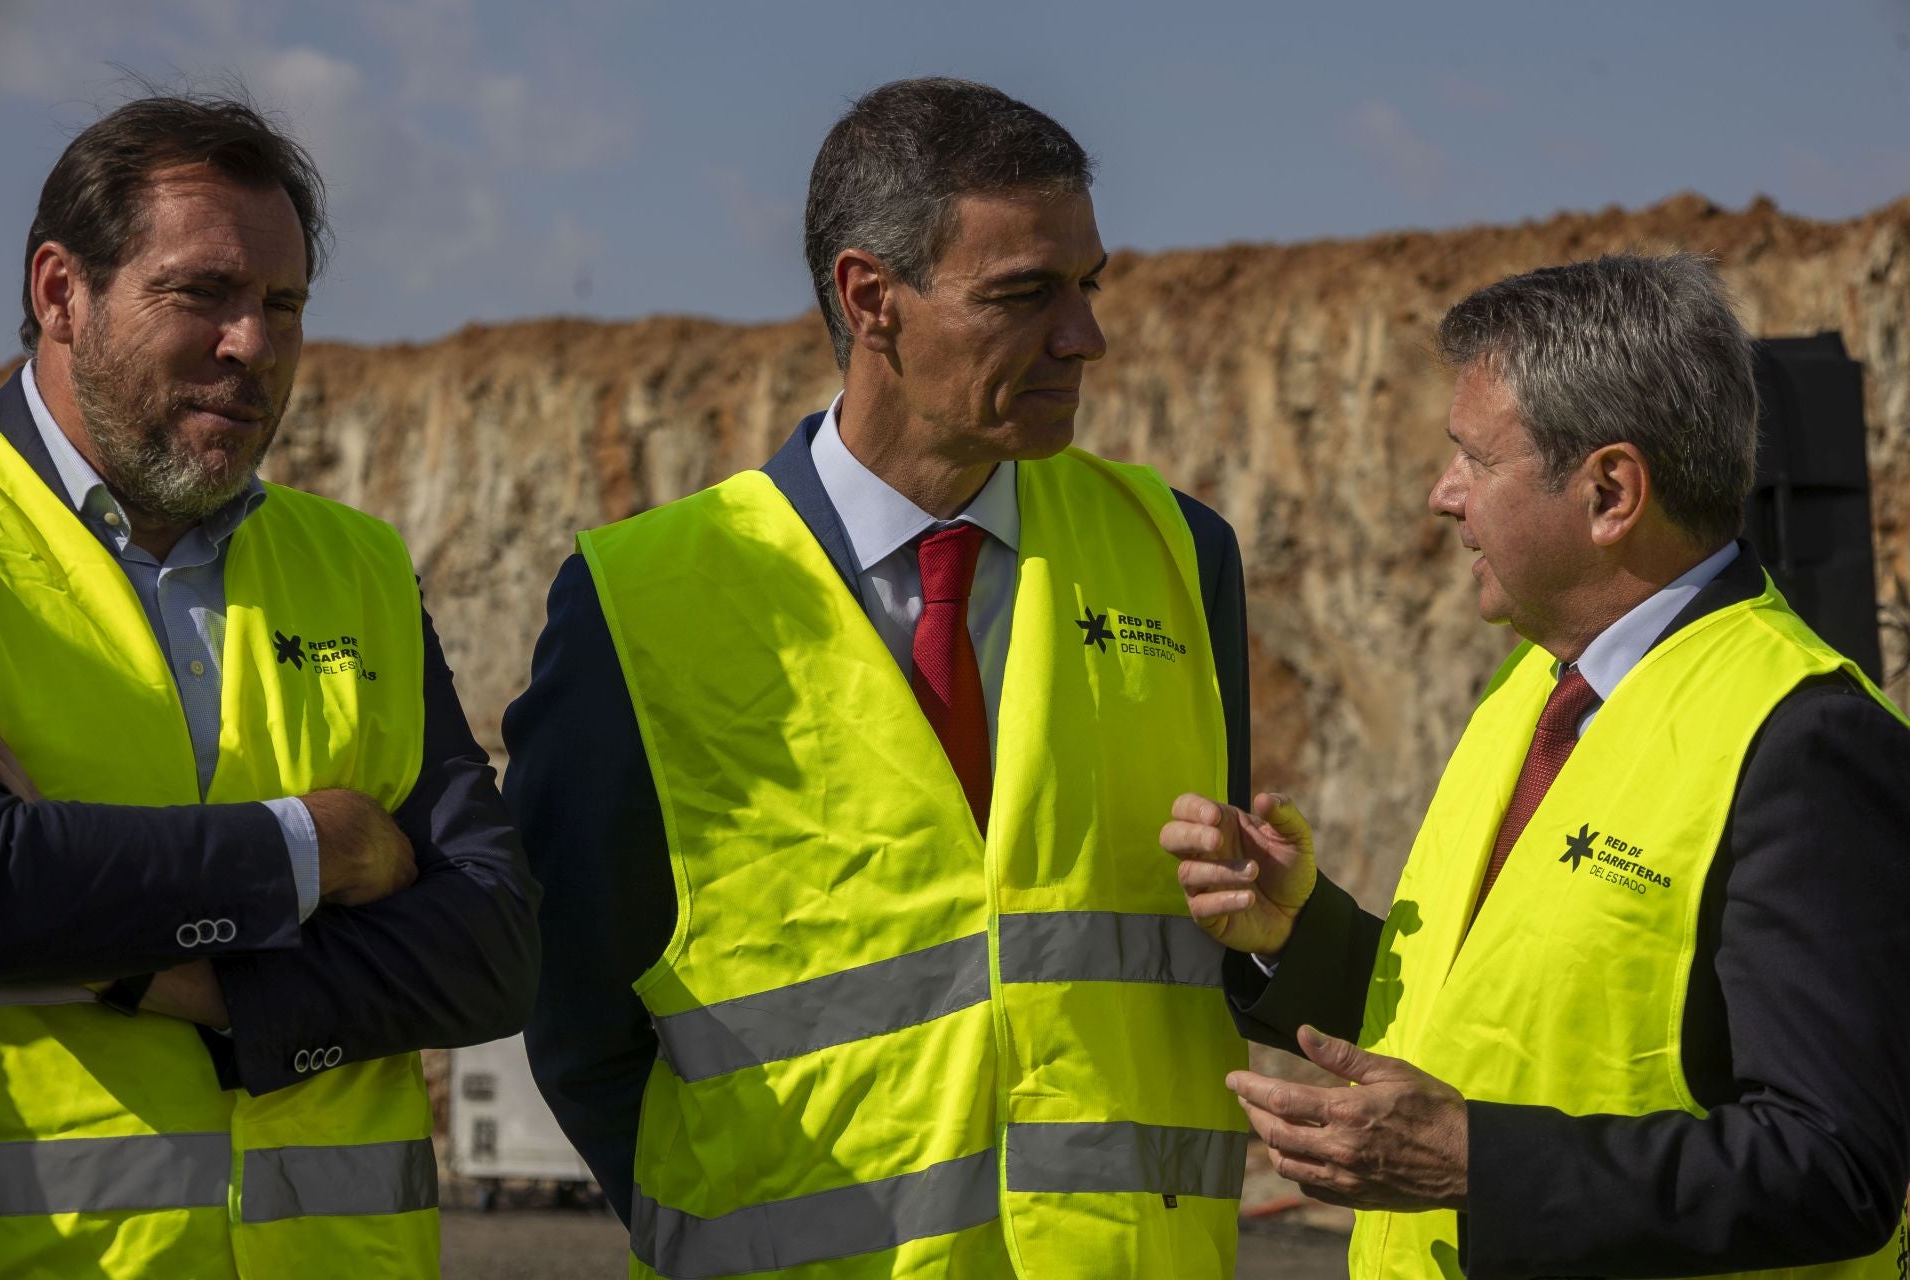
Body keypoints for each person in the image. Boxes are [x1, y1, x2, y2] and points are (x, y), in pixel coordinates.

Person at [507, 77, 1255, 1279]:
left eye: (1088, 284)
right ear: (872, 299)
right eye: (1024, 295)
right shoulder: (639, 598)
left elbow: (1213, 934)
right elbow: (576, 1001)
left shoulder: (1179, 552)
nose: (1085, 337)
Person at [1164, 253, 1910, 1278]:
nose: (1442, 495)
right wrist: (1301, 934)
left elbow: (1834, 1164)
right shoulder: (1533, 690)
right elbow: (1504, 1021)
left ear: (1611, 490)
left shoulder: (1803, 740)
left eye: (1474, 457)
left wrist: (1478, 1159)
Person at [0, 93, 539, 1278]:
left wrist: (158, 973)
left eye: (281, 304)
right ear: (58, 293)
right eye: (202, 294)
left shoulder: (357, 565)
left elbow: (494, 943)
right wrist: (311, 851)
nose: (254, 344)